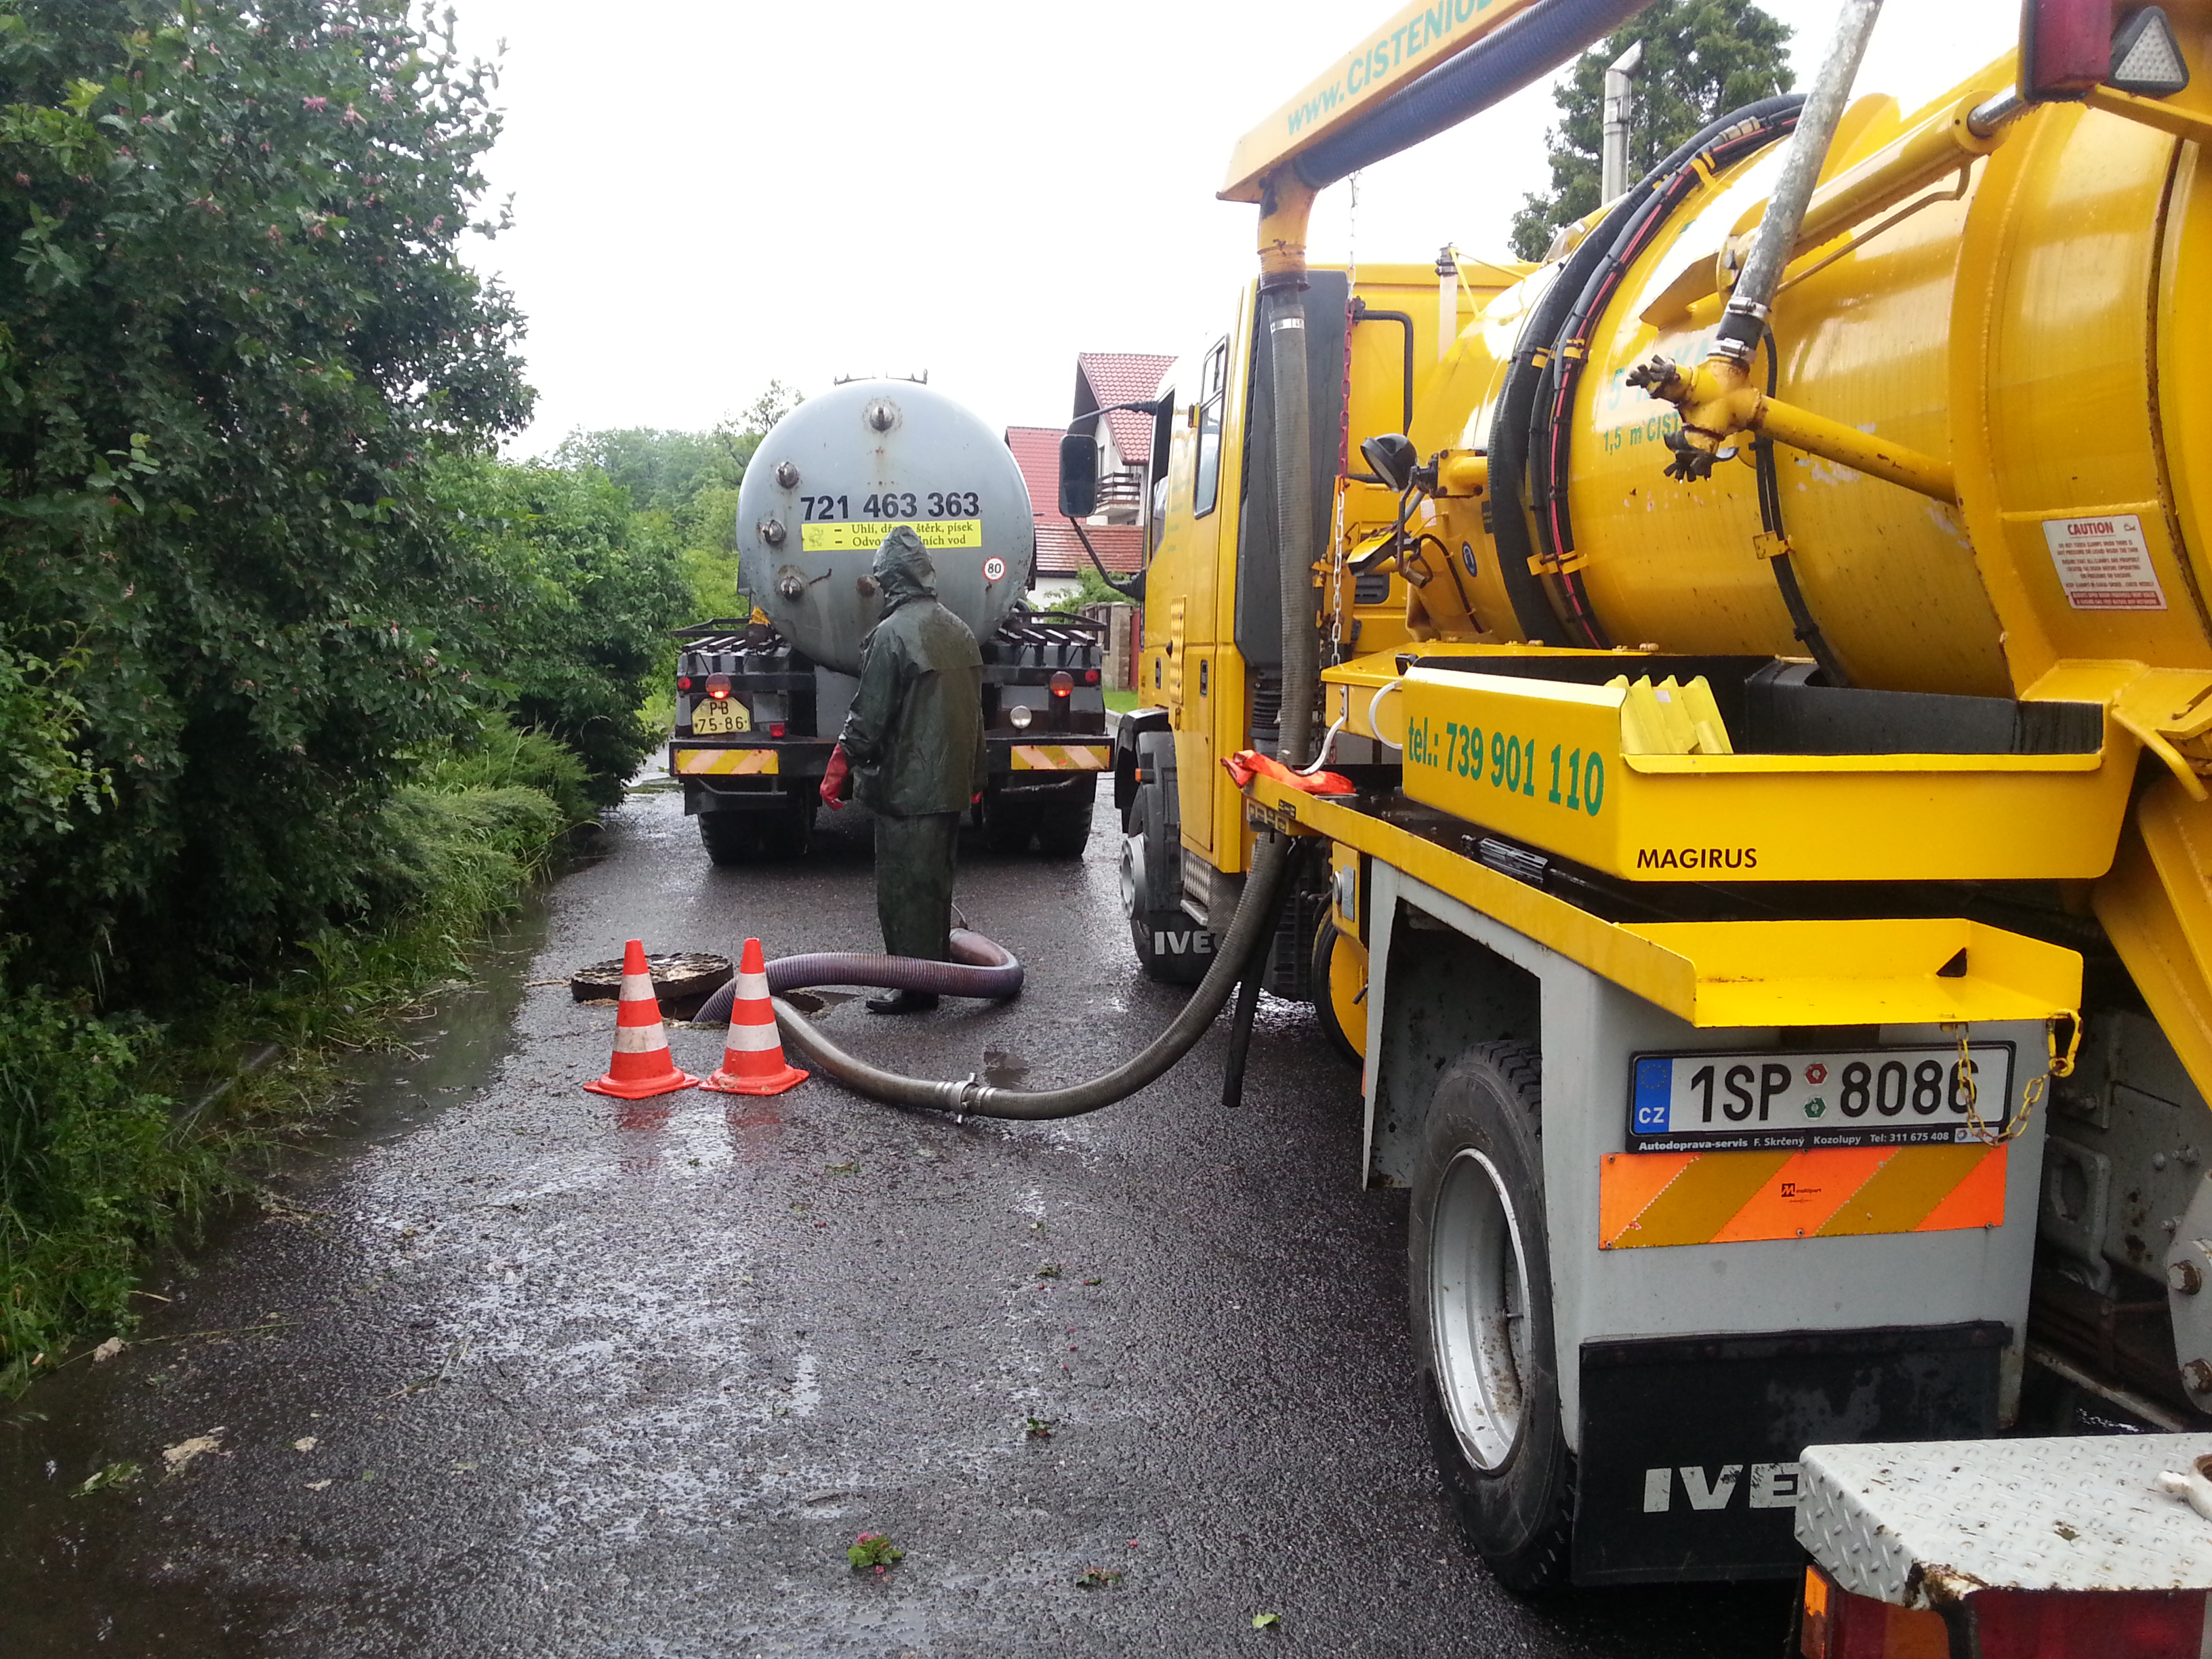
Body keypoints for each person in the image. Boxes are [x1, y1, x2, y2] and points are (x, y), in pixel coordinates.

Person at [819, 526, 986, 1014]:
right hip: (950, 785)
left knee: (904, 888)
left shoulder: (891, 636)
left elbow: (869, 717)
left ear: (890, 579)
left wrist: (837, 769)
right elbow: (974, 717)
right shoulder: (959, 631)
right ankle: (929, 976)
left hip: (907, 790)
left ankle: (913, 987)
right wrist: (976, 780)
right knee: (935, 884)